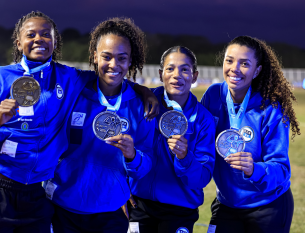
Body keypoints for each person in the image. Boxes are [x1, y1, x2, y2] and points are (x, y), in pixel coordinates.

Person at [0, 11, 97, 233]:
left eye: (46, 34)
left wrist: (143, 91)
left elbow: (109, 77)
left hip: (36, 196)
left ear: (54, 41)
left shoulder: (70, 77)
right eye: (31, 34)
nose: (38, 39)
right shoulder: (1, 77)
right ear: (19, 42)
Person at [46, 18, 155, 233]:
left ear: (130, 60)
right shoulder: (74, 92)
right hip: (63, 207)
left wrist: (132, 155)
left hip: (110, 212)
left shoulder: (139, 106)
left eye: (121, 58)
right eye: (106, 56)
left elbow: (145, 166)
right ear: (95, 56)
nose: (114, 64)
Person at [201, 35, 300, 233]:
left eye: (244, 64)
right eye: (229, 60)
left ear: (257, 71)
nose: (234, 69)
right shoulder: (213, 96)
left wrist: (254, 169)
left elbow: (281, 169)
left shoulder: (270, 108)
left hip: (267, 205)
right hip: (228, 203)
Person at [128, 46, 216, 233]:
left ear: (194, 76)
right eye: (170, 68)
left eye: (185, 69)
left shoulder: (203, 119)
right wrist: (121, 189)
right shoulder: (141, 103)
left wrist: (185, 157)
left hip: (180, 209)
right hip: (139, 204)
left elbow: (202, 178)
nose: (177, 75)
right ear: (161, 74)